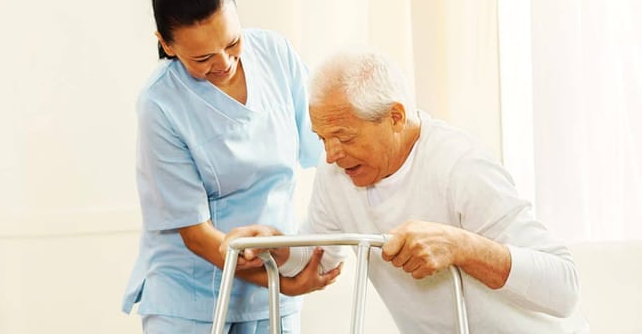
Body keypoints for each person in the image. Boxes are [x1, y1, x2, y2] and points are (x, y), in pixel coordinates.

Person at [223, 51, 590, 333]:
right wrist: (273, 244)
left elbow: (565, 287)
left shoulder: (460, 166)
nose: (331, 154)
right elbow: (317, 259)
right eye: (322, 139)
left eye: (344, 138)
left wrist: (463, 246)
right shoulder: (336, 175)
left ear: (395, 117)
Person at [121, 0, 338, 333]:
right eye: (202, 58)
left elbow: (327, 151)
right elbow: (197, 235)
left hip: (273, 292)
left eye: (233, 42)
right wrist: (285, 282)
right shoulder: (160, 105)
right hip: (191, 299)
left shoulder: (276, 55)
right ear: (167, 45)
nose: (224, 63)